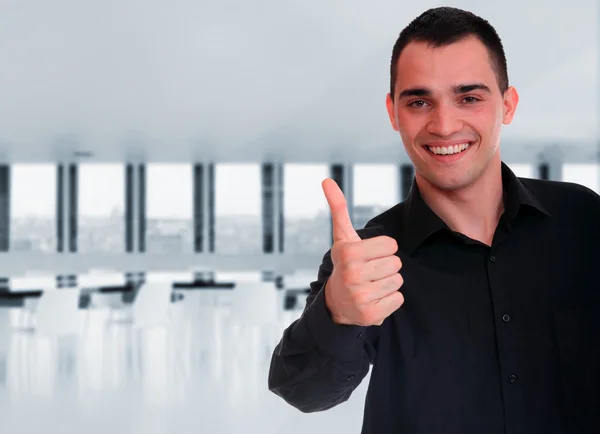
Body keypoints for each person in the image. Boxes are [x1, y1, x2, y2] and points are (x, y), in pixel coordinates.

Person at [267, 6, 600, 434]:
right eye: (419, 101)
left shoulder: (583, 220)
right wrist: (338, 314)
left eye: (469, 97)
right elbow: (303, 391)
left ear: (508, 104)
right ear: (393, 113)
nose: (444, 125)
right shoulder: (368, 259)